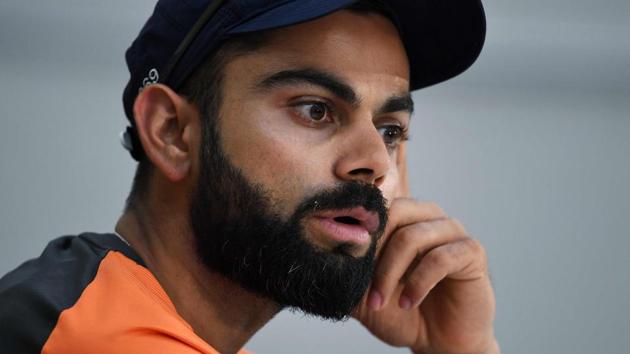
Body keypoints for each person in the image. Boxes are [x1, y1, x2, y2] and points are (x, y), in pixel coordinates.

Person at [0, 0, 499, 353]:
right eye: (315, 109)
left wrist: (459, 348)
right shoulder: (94, 338)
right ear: (171, 131)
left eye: (390, 129)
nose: (376, 161)